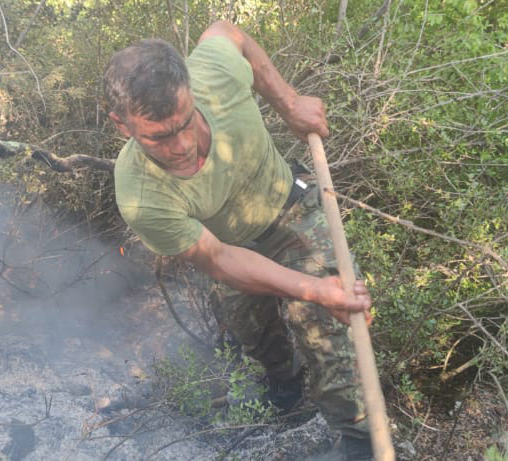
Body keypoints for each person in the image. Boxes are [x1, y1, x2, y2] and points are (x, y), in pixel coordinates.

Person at [105, 20, 375, 460]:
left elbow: (227, 31)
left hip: (292, 209)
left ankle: (359, 442)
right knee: (256, 338)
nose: (181, 146)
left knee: (332, 339)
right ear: (123, 125)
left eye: (185, 123)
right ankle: (285, 398)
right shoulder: (139, 195)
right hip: (233, 248)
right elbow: (218, 257)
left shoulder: (214, 74)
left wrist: (289, 104)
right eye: (158, 137)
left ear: (191, 92)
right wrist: (310, 288)